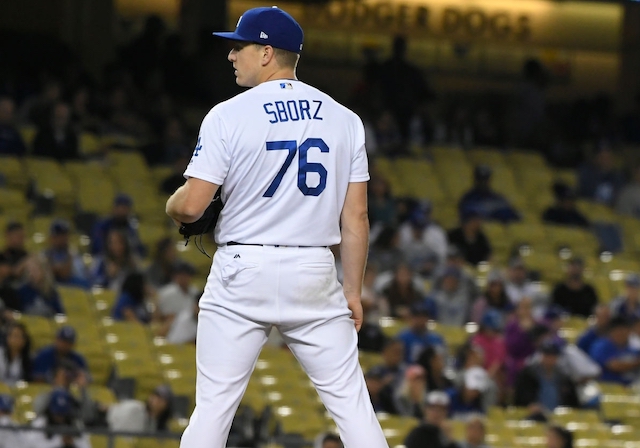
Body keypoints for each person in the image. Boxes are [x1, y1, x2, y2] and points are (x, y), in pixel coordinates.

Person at [165, 7, 388, 447]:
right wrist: (351, 291)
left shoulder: (228, 114)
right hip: (313, 270)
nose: (231, 55)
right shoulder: (344, 119)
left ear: (266, 52)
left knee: (214, 408)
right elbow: (356, 217)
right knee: (351, 404)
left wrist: (171, 205)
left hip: (243, 268)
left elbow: (192, 206)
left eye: (239, 46)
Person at [513, 340, 579, 411]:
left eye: (552, 356)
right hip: (535, 415)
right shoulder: (528, 374)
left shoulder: (564, 376)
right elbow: (521, 397)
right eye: (546, 355)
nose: (549, 359)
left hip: (560, 414)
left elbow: (572, 401)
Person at [23, 389, 91, 448]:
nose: (60, 417)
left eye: (63, 413)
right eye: (57, 413)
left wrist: (72, 444)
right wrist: (60, 442)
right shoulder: (40, 422)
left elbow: (86, 445)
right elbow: (29, 444)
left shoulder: (76, 424)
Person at [589, 316, 640, 385]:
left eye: (626, 331)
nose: (624, 334)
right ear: (613, 331)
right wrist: (636, 363)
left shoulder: (631, 348)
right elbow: (615, 366)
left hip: (630, 387)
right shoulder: (602, 346)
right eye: (620, 331)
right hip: (606, 386)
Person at [398, 201, 448, 267]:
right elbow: (398, 254)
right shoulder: (404, 230)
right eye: (416, 228)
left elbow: (443, 256)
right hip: (409, 269)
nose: (418, 231)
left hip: (433, 270)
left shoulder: (437, 232)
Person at [106, 384, 174, 433]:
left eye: (161, 400)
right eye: (155, 396)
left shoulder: (153, 422)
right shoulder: (135, 409)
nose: (156, 401)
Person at [43, 219, 89, 289]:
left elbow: (65, 273)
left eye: (64, 235)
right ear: (52, 237)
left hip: (71, 286)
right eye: (59, 236)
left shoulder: (73, 253)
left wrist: (56, 268)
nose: (63, 239)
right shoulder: (45, 253)